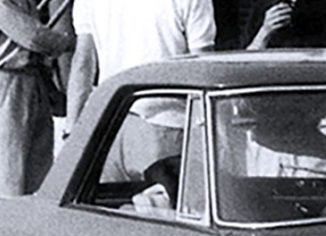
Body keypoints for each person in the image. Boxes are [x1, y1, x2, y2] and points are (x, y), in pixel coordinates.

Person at [65, 0, 216, 182]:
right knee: (165, 198)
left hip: (110, 124)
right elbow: (202, 69)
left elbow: (83, 63)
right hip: (165, 126)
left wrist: (71, 132)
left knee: (108, 199)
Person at [0, 0, 75, 197]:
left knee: (40, 176)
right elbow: (31, 36)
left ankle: (35, 217)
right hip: (4, 82)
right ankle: (7, 219)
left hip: (32, 77)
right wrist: (73, 42)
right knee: (8, 179)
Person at [242, 0, 326, 162]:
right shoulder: (263, 6)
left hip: (317, 133)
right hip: (266, 139)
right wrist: (265, 31)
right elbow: (242, 67)